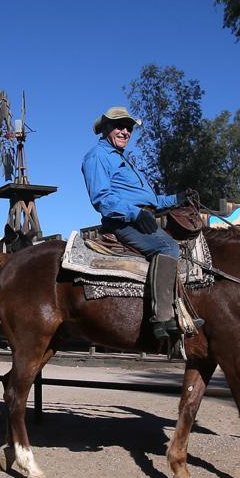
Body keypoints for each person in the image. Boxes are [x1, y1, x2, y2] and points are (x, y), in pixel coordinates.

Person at [81, 106, 201, 340]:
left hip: (142, 219)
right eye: (119, 126)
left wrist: (177, 199)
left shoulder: (123, 160)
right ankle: (162, 319)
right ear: (106, 128)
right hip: (123, 222)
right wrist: (135, 214)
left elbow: (152, 201)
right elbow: (102, 199)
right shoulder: (97, 157)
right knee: (167, 247)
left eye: (129, 128)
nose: (125, 131)